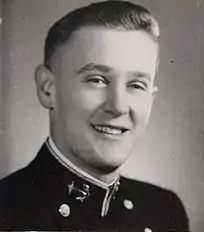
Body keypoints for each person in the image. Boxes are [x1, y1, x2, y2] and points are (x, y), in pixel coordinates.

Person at [0, 1, 190, 231]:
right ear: (47, 89)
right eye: (96, 80)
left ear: (151, 99)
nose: (118, 106)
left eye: (136, 85)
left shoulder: (164, 211)